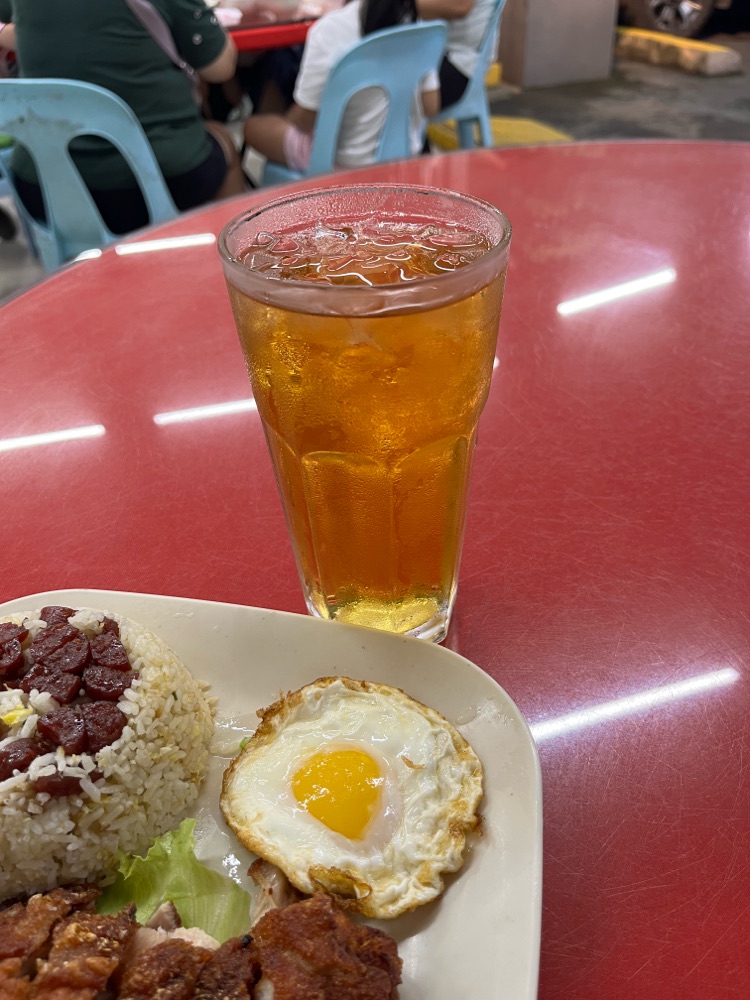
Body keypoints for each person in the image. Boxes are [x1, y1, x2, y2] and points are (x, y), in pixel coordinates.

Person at [0, 0, 247, 235]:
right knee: (221, 138)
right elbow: (221, 67)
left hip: (42, 184)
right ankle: (228, 262)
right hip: (157, 179)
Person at [243, 0, 439, 174]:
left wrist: (286, 119)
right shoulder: (420, 24)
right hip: (405, 155)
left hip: (339, 164)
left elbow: (305, 120)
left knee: (252, 127)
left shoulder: (330, 30)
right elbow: (431, 105)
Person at [416, 0, 495, 108]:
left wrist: (401, 5)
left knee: (394, 84)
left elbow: (460, 6)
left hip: (458, 64)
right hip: (444, 54)